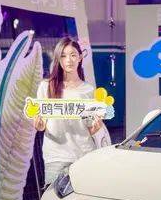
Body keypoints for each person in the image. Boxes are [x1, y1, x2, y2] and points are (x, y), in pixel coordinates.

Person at [33, 36, 108, 186]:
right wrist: (39, 125)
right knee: (54, 197)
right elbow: (41, 123)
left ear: (80, 57)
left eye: (73, 55)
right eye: (63, 56)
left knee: (84, 197)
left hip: (84, 155)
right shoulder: (46, 86)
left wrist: (95, 128)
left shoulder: (88, 90)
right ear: (58, 59)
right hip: (56, 156)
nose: (69, 60)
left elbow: (89, 126)